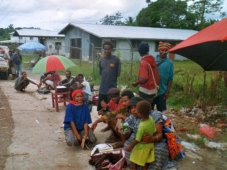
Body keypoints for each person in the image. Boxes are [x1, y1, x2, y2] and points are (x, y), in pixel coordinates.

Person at [125, 100, 156, 170]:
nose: (134, 111)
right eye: (131, 108)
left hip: (142, 146)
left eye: (136, 110)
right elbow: (154, 130)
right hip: (150, 145)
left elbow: (137, 139)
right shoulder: (151, 119)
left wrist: (131, 146)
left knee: (133, 158)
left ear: (140, 114)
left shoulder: (142, 125)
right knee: (144, 162)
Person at [98, 41, 121, 111]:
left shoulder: (116, 60)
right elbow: (101, 72)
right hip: (102, 89)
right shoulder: (101, 59)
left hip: (112, 89)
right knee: (102, 110)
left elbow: (118, 73)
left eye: (108, 49)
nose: (106, 51)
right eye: (105, 49)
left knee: (111, 110)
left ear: (111, 49)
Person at [152, 41, 174, 112]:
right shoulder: (152, 60)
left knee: (161, 113)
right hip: (151, 91)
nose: (163, 52)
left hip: (162, 91)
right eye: (162, 50)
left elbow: (170, 79)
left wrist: (167, 92)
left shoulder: (169, 63)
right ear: (159, 50)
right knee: (149, 112)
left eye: (165, 51)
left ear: (167, 52)